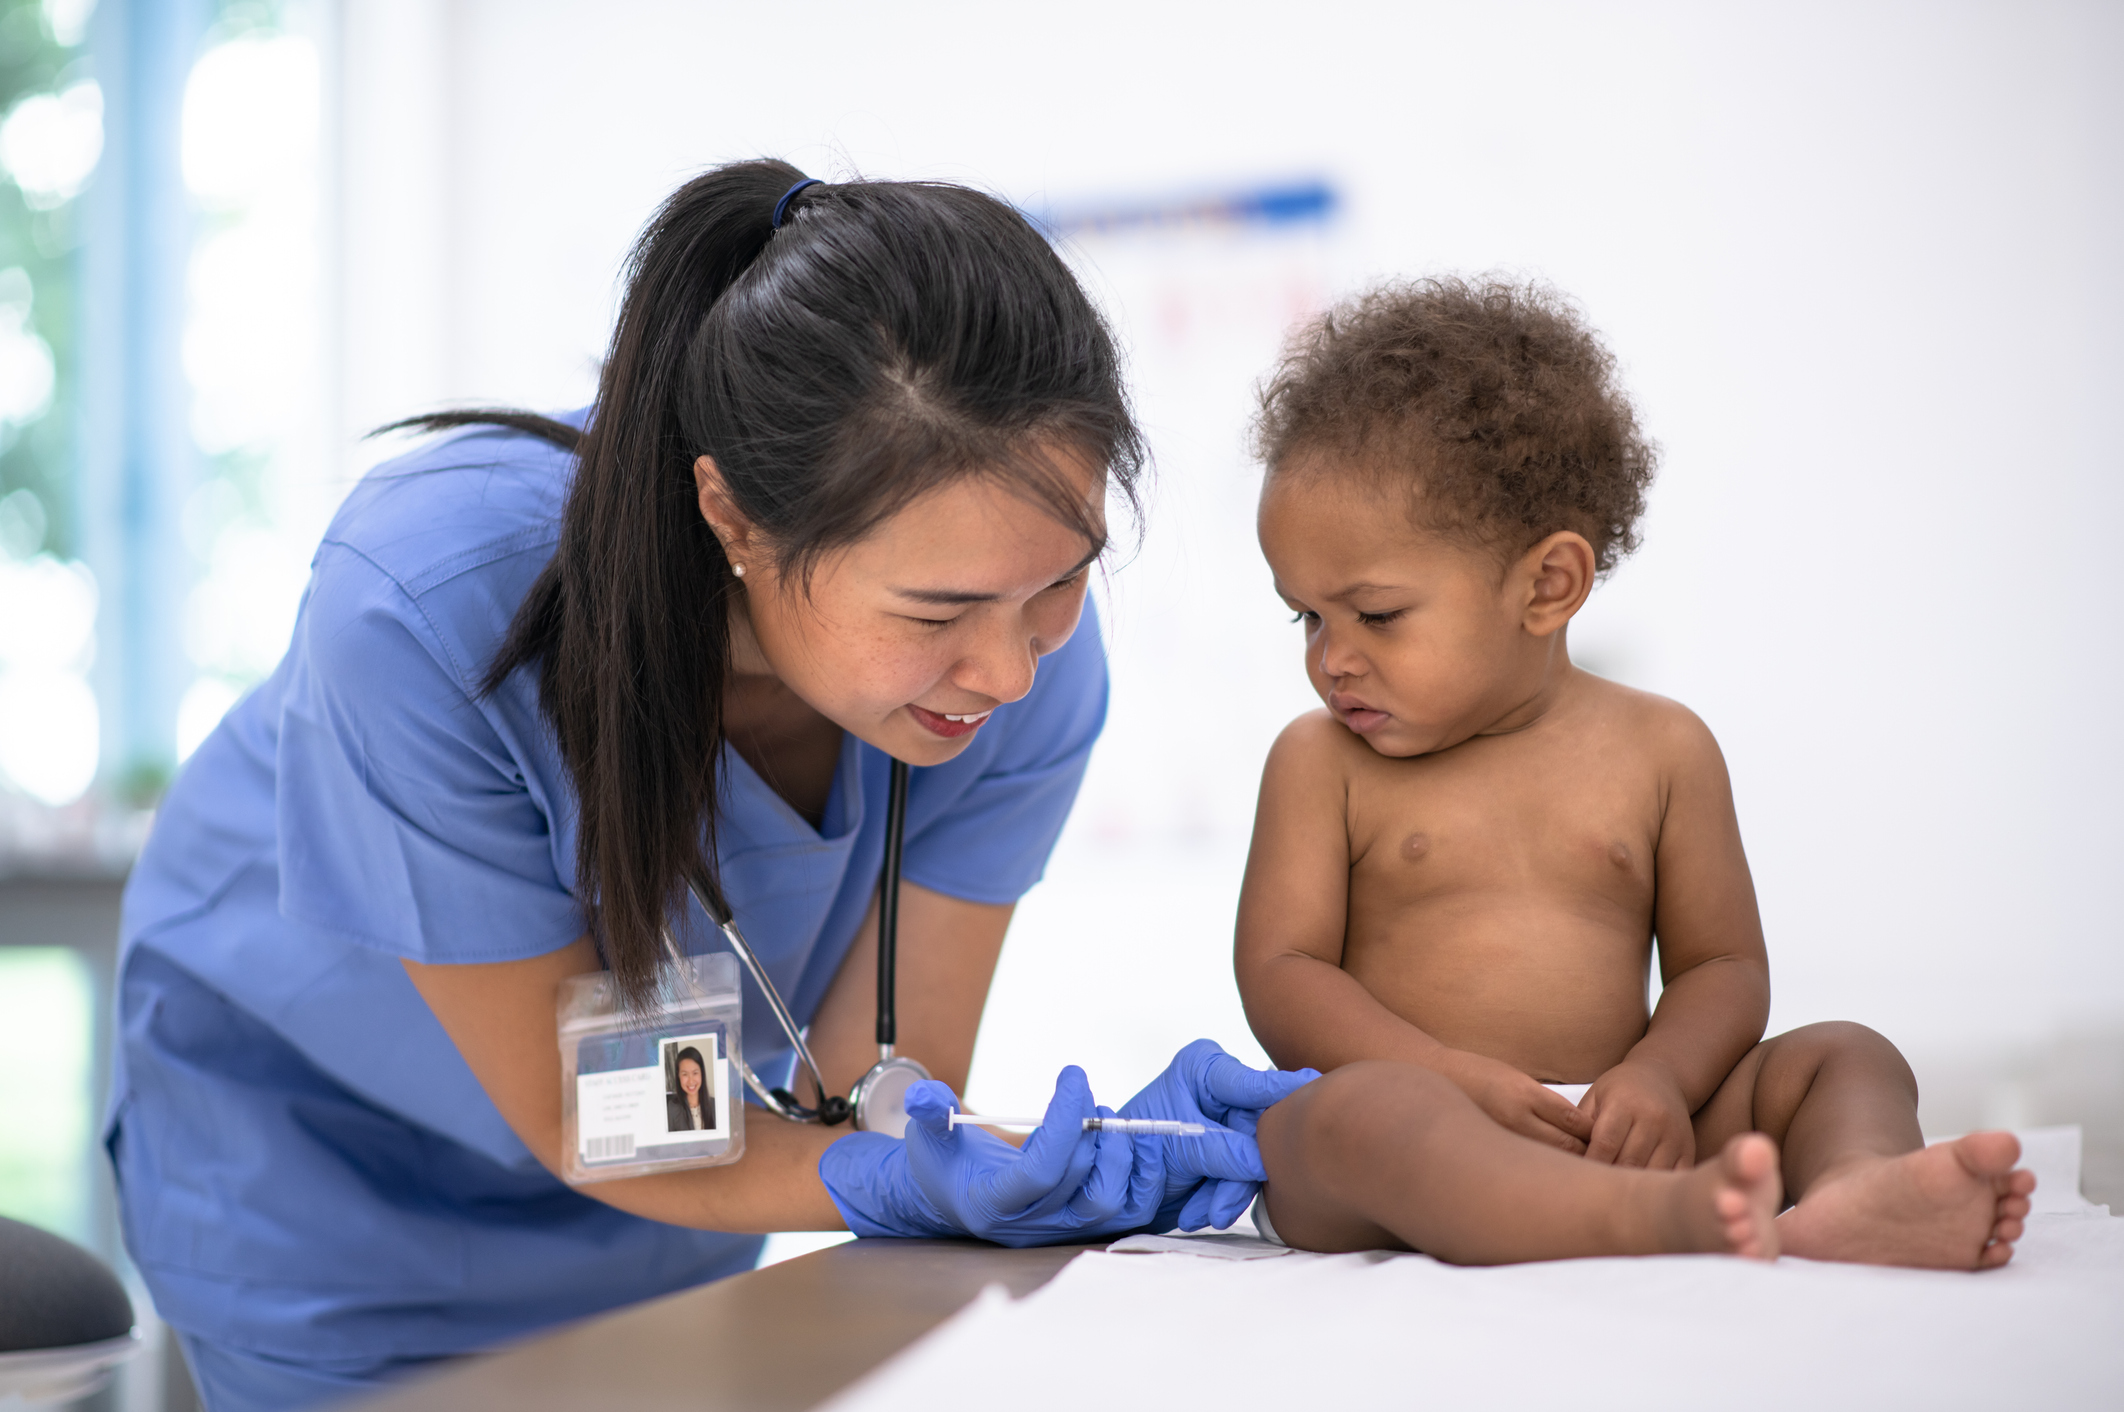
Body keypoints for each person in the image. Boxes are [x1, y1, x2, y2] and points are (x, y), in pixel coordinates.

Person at [107, 160, 1311, 1412]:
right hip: (321, 1179)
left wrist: (1098, 1155)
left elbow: (851, 1100)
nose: (1008, 668)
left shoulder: (1024, 671)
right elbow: (603, 1119)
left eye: (1059, 581)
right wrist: (888, 1165)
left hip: (671, 1184)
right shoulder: (427, 604)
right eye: (939, 608)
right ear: (732, 515)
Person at [1234, 277, 2035, 1264]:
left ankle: (1856, 1188)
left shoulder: (1664, 749)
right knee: (1358, 1118)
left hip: (1621, 1123)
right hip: (1418, 1122)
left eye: (1377, 614)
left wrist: (1657, 1076)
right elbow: (1283, 973)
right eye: (1307, 615)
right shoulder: (1321, 761)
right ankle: (1653, 1220)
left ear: (1547, 585)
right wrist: (1445, 1073)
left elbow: (1722, 967)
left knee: (1847, 1054)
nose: (1332, 657)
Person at [666, 1047, 714, 1133]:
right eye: (685, 1074)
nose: (691, 1081)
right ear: (678, 1076)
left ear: (702, 1073)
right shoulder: (672, 1108)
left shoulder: (715, 1105)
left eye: (695, 1073)